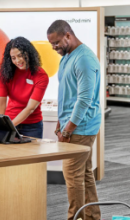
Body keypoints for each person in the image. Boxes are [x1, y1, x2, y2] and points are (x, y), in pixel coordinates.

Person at [47, 20, 102, 220]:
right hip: (73, 125)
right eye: (51, 45)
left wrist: (68, 130)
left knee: (72, 175)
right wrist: (60, 122)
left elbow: (84, 99)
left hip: (81, 127)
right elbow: (67, 93)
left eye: (57, 43)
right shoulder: (67, 56)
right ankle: (92, 217)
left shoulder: (84, 59)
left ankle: (75, 217)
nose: (54, 48)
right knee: (84, 174)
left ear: (68, 35)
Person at [0, 37, 49, 138]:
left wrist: (9, 126)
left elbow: (30, 108)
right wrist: (0, 124)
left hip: (32, 126)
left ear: (28, 53)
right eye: (13, 58)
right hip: (10, 119)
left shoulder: (41, 75)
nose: (18, 60)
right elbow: (1, 102)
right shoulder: (5, 74)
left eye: (20, 55)